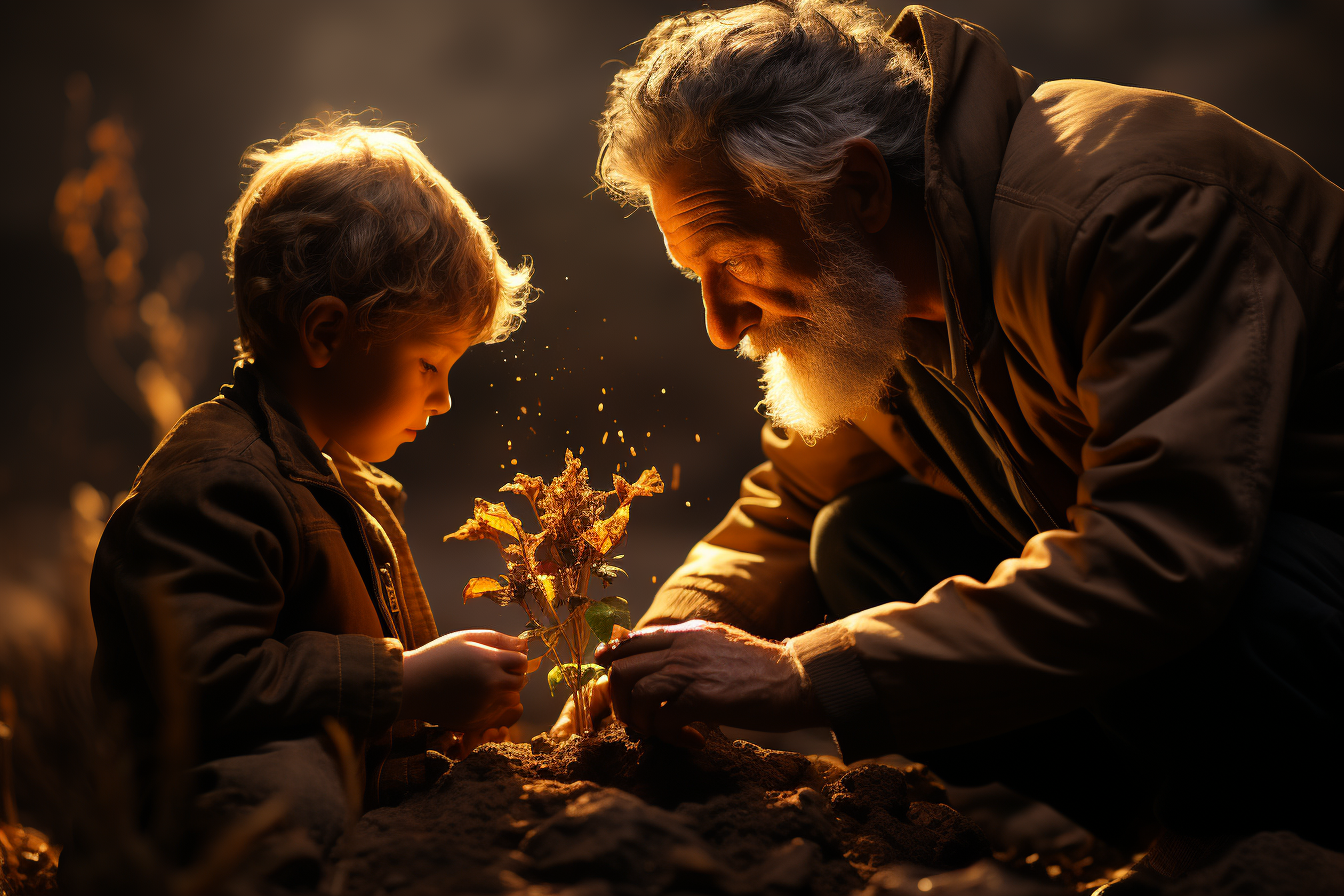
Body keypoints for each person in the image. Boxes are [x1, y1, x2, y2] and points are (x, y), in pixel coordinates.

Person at [581, 0, 1344, 883]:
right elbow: (796, 500)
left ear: (860, 188)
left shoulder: (1129, 212)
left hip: (1290, 588)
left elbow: (1159, 557)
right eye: (697, 279)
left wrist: (801, 674)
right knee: (863, 537)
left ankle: (1256, 837)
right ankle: (1170, 829)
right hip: (1209, 612)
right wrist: (672, 637)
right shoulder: (874, 286)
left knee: (1239, 579)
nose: (720, 325)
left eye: (737, 262)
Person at [82, 120, 536, 883]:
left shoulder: (342, 482)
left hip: (319, 821)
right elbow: (210, 683)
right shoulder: (217, 485)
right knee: (281, 783)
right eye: (431, 363)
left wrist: (436, 712)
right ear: (328, 331)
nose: (445, 398)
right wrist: (407, 683)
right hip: (192, 848)